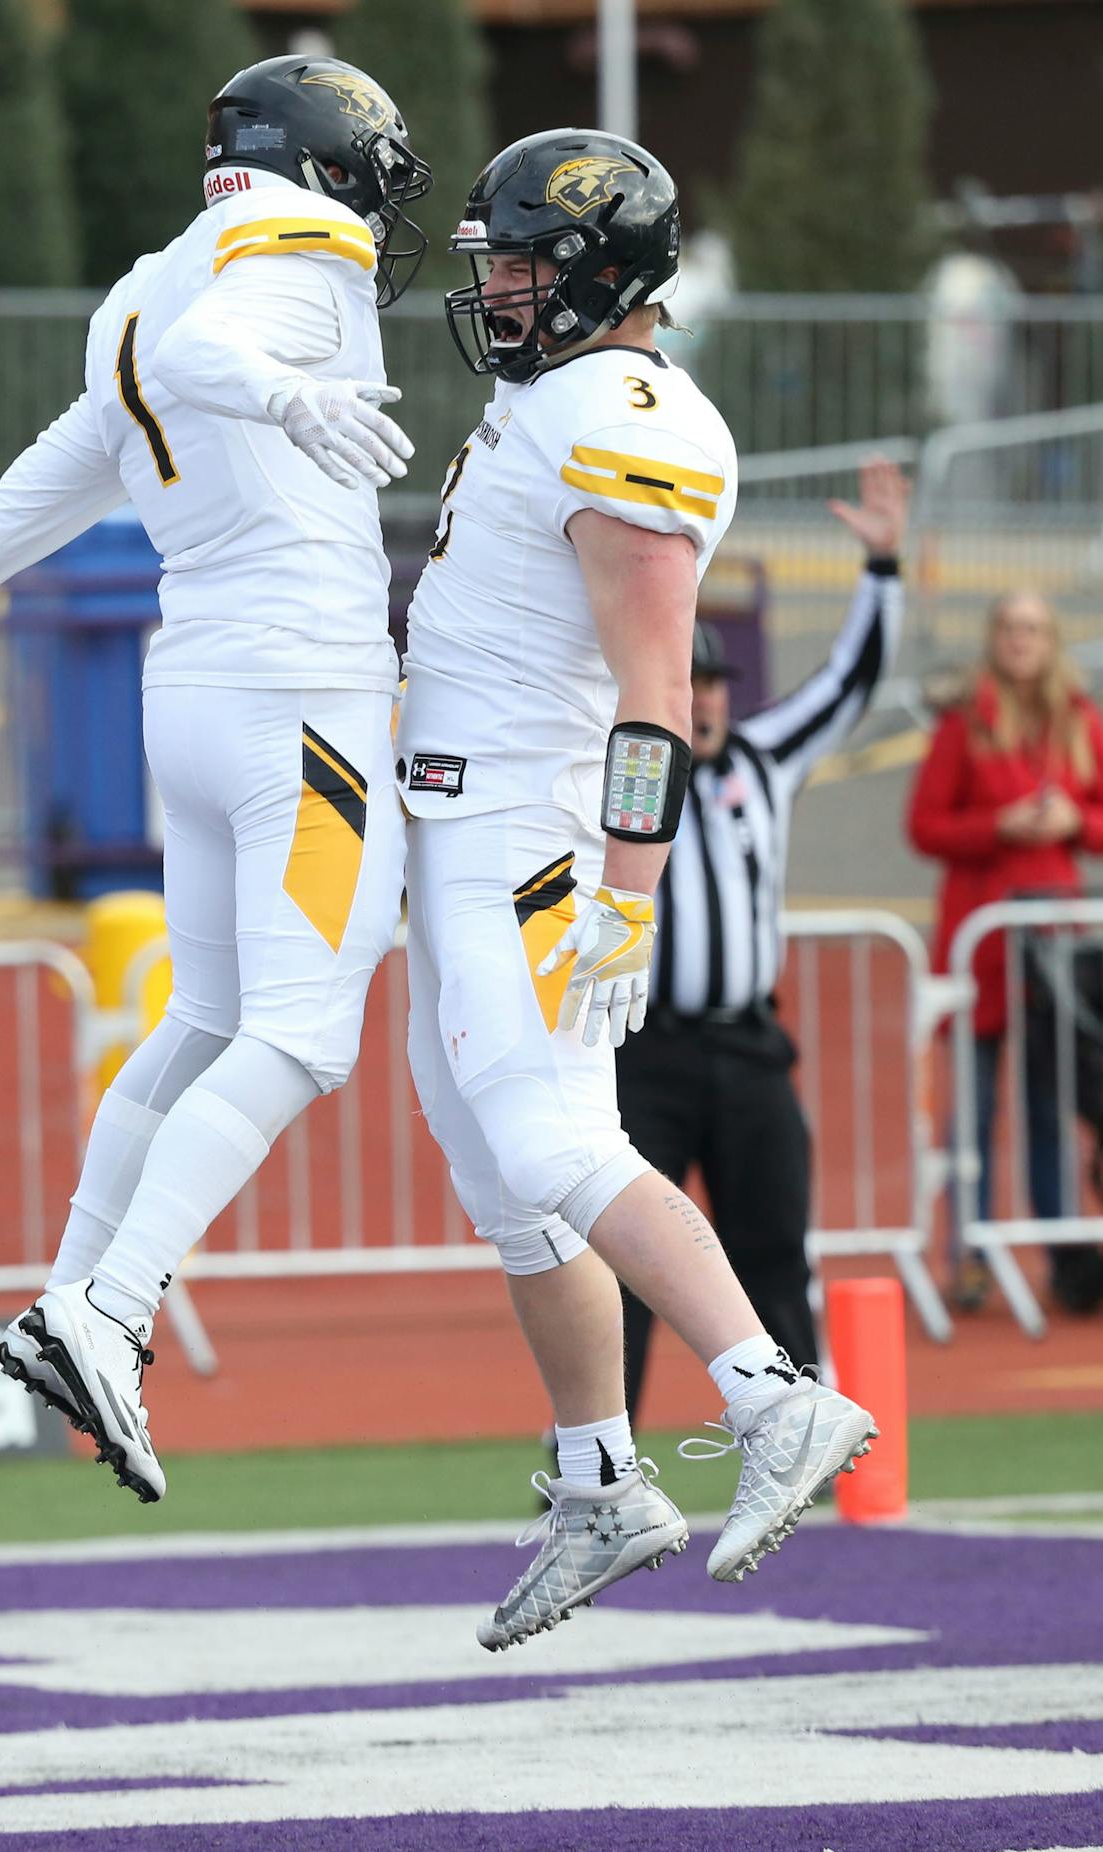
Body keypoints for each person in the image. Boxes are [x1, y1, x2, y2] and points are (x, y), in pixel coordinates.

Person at [0, 54, 430, 1503]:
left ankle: (62, 1296)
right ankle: (113, 1305)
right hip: (300, 697)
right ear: (326, 161)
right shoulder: (304, 253)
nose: (384, 203)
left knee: (204, 1017)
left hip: (189, 698)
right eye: (377, 168)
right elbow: (215, 365)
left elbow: (39, 492)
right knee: (308, 1032)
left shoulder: (140, 284)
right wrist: (287, 398)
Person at [396, 128, 878, 1650]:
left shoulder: (624, 407)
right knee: (498, 1167)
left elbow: (657, 695)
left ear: (609, 268)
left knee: (552, 1137)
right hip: (461, 827)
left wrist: (627, 889)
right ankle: (602, 1478)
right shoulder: (559, 393)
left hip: (528, 836)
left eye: (531, 262)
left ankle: (769, 1396)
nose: (506, 289)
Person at [617, 459, 908, 1416]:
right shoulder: (612, 770)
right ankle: (597, 1447)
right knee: (627, 1253)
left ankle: (801, 1421)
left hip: (747, 1044)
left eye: (710, 683)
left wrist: (882, 570)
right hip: (643, 1047)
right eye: (684, 680)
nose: (700, 699)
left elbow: (848, 684)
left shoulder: (764, 760)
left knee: (773, 1236)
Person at [908, 588, 1103, 1310]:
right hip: (982, 940)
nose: (1021, 641)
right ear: (995, 637)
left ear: (1051, 640)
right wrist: (1002, 825)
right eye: (1010, 628)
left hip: (1056, 947)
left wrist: (1070, 821)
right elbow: (925, 825)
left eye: (1033, 629)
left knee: (1050, 1105)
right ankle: (970, 1254)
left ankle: (1063, 1255)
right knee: (976, 1107)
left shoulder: (1077, 722)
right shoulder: (966, 724)